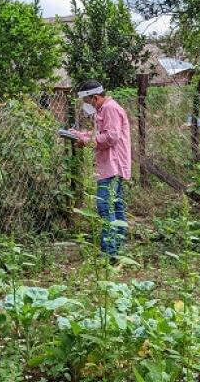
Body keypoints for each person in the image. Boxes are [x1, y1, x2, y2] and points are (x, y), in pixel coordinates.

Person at [69, 80, 132, 264]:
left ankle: (110, 253)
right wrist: (79, 135)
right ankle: (118, 250)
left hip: (112, 166)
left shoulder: (110, 109)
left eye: (87, 101)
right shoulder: (104, 109)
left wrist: (87, 142)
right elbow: (102, 134)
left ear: (95, 98)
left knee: (106, 207)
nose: (86, 106)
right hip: (112, 165)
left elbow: (111, 137)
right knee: (116, 206)